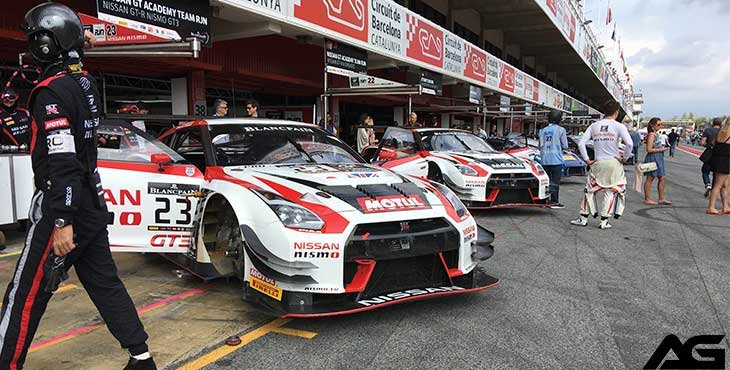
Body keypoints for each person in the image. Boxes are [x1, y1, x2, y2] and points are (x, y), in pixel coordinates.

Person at [0, 4, 156, 370]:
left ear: (46, 44)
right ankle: (141, 358)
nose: (30, 46)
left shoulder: (51, 91)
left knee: (23, 296)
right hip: (91, 200)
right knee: (105, 283)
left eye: (35, 39)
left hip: (63, 203)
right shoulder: (84, 82)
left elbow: (61, 160)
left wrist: (61, 221)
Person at [570, 100, 633, 229]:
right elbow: (630, 144)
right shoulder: (619, 126)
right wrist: (624, 158)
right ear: (617, 112)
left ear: (604, 111)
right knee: (611, 190)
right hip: (614, 163)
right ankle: (604, 221)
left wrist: (587, 159)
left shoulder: (594, 126)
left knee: (590, 190)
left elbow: (581, 143)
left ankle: (583, 218)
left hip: (598, 162)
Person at [539, 109, 569, 209]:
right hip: (556, 160)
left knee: (545, 181)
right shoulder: (561, 130)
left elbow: (540, 145)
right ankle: (554, 201)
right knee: (555, 182)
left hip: (544, 159)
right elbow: (565, 146)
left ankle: (543, 201)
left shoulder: (542, 130)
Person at [643, 118, 671, 205]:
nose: (660, 126)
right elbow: (649, 149)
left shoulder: (655, 134)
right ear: (652, 125)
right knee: (650, 178)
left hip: (658, 157)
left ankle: (661, 198)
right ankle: (647, 198)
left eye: (661, 124)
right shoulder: (652, 134)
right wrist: (661, 149)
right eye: (658, 124)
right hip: (653, 157)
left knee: (662, 178)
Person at [706, 118, 730, 215]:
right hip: (725, 160)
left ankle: (726, 206)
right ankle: (711, 207)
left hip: (717, 159)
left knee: (724, 185)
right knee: (718, 185)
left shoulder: (721, 132)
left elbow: (712, 143)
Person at [701, 118, 722, 197]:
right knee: (715, 174)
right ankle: (713, 191)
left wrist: (708, 145)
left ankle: (707, 184)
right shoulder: (723, 132)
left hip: (709, 153)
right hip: (720, 155)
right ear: (720, 124)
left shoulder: (708, 130)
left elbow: (702, 142)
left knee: (705, 171)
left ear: (713, 123)